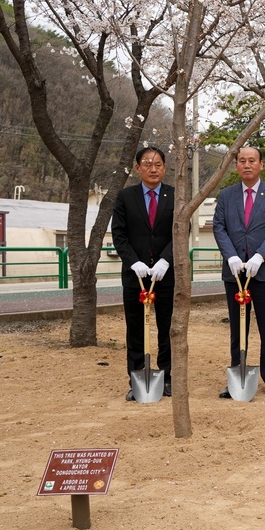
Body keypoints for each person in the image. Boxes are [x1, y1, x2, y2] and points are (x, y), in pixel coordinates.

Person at [213, 146, 265, 399]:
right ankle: (238, 373)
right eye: (242, 160)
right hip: (235, 272)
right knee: (237, 327)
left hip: (264, 271)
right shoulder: (226, 195)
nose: (247, 165)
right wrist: (231, 256)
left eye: (252, 160)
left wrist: (260, 256)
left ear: (261, 165)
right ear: (236, 166)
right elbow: (219, 227)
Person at [112, 147, 174, 402]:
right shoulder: (126, 197)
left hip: (165, 275)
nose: (153, 169)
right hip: (135, 276)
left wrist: (165, 260)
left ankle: (167, 378)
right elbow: (119, 234)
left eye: (158, 164)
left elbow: (181, 229)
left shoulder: (174, 195)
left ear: (164, 167)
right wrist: (133, 261)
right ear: (138, 168)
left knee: (167, 328)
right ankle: (136, 378)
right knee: (135, 329)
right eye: (147, 164)